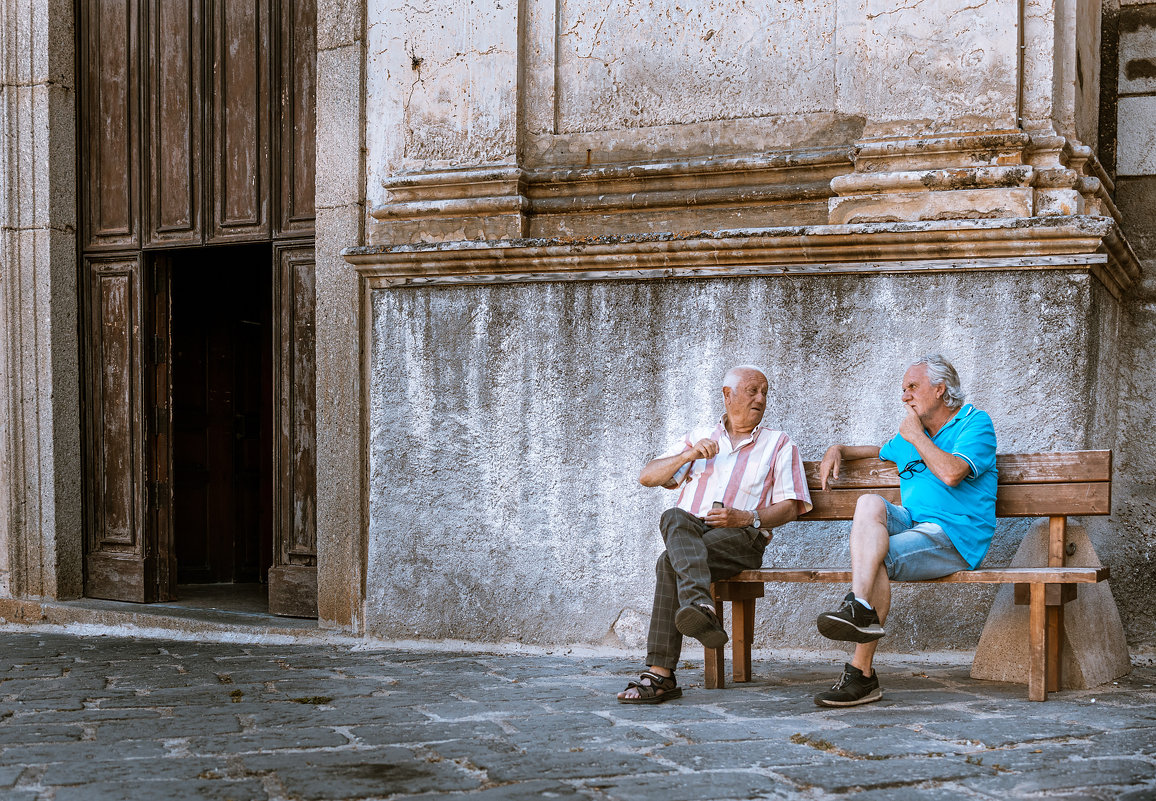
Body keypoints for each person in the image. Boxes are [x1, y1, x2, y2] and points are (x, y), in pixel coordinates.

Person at [616, 365, 812, 704]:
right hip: (692, 531)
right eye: (753, 391)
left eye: (765, 392)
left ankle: (661, 675)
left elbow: (791, 507)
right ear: (728, 395)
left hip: (741, 537)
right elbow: (647, 476)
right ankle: (701, 605)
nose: (760, 399)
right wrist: (688, 454)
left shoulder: (778, 444)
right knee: (673, 516)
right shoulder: (700, 437)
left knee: (668, 561)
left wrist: (746, 517)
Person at [814, 353, 997, 707]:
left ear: (941, 389)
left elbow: (952, 473)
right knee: (869, 501)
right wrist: (837, 449)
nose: (904, 397)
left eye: (912, 387)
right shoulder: (910, 437)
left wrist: (916, 436)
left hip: (954, 536)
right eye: (903, 389)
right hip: (914, 523)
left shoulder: (975, 423)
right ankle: (860, 606)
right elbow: (876, 450)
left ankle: (861, 673)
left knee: (877, 560)